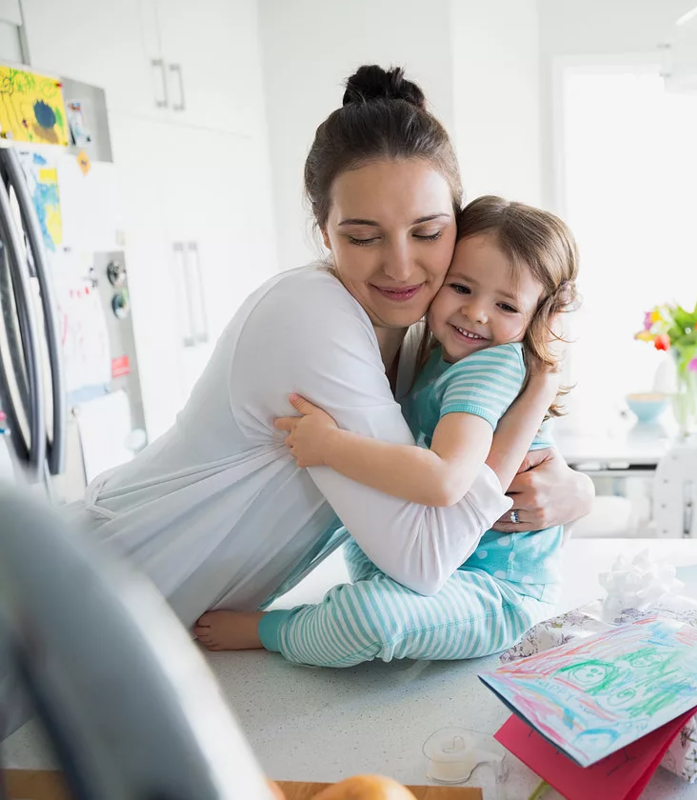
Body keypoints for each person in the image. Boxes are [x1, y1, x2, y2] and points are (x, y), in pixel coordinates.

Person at [73, 65, 593, 630]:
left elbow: (468, 459)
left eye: (427, 233)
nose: (400, 266)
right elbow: (425, 556)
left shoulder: (428, 332)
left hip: (151, 624)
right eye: (363, 237)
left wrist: (575, 492)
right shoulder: (311, 316)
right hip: (87, 594)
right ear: (324, 232)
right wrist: (540, 389)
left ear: (457, 229)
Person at [193, 195, 580, 666]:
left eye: (505, 305)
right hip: (437, 570)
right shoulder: (442, 353)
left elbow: (443, 480)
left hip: (498, 593)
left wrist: (332, 446)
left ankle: (273, 631)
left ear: (538, 318)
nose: (476, 313)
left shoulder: (492, 364)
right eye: (461, 287)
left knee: (368, 621)